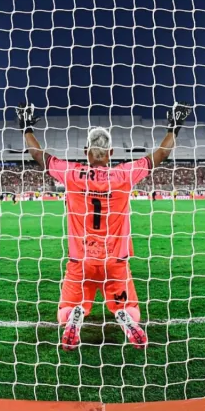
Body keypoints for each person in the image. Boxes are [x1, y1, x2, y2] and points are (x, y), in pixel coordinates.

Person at [17, 101, 191, 350]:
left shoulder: (71, 173)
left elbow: (39, 156)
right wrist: (175, 126)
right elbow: (161, 155)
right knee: (131, 309)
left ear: (86, 151)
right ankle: (124, 318)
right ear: (111, 153)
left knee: (65, 310)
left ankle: (75, 318)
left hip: (81, 261)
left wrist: (25, 128)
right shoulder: (124, 174)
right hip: (115, 262)